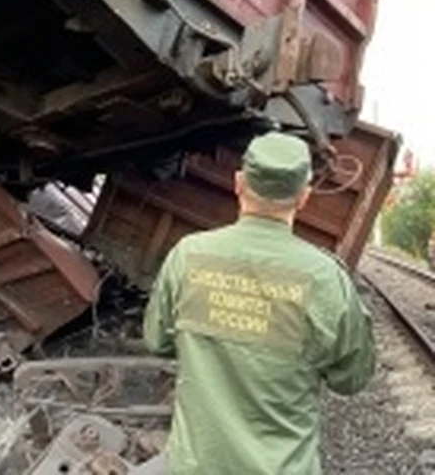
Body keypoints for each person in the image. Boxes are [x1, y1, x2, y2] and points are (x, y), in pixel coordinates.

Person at [139, 132, 375, 475]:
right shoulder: (326, 279)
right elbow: (351, 379)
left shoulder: (187, 255)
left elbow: (156, 340)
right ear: (303, 197)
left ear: (239, 183)